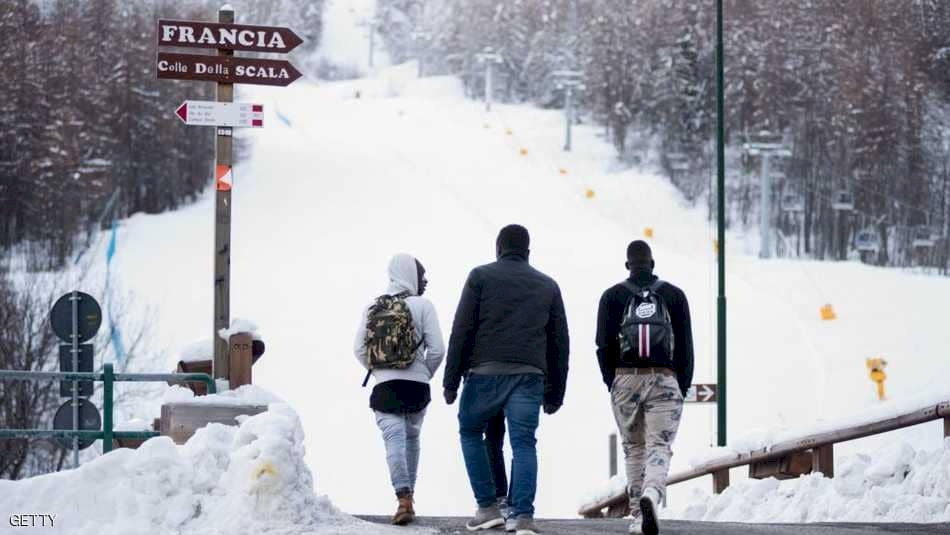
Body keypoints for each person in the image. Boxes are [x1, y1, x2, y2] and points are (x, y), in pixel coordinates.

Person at [443, 224, 570, 535]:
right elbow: (560, 343)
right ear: (527, 251)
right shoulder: (548, 285)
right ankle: (522, 517)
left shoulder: (480, 276)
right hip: (529, 376)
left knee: (471, 430)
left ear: (498, 248)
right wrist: (556, 391)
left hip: (484, 374)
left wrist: (451, 381)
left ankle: (487, 507)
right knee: (524, 443)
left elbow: (462, 329)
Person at [595, 241, 694, 535]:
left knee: (633, 446)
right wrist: (681, 384)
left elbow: (603, 346)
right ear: (652, 263)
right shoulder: (674, 295)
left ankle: (638, 514)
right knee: (659, 445)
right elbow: (686, 346)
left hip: (624, 378)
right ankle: (652, 492)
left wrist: (612, 381)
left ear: (628, 265)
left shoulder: (612, 297)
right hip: (664, 377)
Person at [354, 253, 445, 525]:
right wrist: (422, 373)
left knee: (393, 438)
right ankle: (410, 498)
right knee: (411, 437)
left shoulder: (373, 307)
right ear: (410, 275)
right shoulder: (423, 305)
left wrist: (382, 370)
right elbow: (438, 349)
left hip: (385, 387)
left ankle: (403, 499)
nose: (425, 280)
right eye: (422, 274)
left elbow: (358, 349)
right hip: (417, 387)